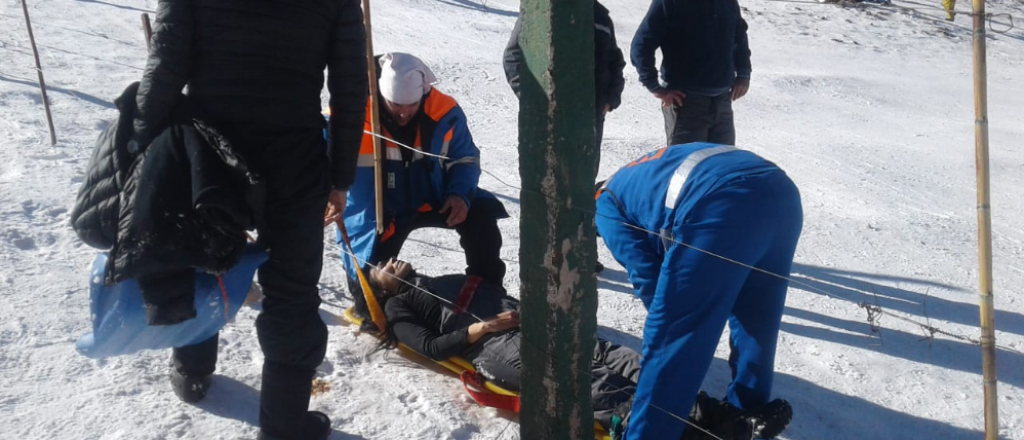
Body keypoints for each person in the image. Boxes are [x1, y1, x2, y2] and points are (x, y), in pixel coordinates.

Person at [132, 0, 368, 439]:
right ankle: (283, 426)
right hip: (293, 162)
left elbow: (165, 68)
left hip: (209, 154)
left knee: (201, 260)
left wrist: (140, 151)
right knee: (292, 293)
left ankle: (192, 371)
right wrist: (340, 178)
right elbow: (351, 89)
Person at [364, 259, 792, 440]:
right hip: (495, 347)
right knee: (591, 383)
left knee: (624, 359)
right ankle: (696, 433)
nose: (391, 262)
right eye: (380, 267)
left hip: (533, 324)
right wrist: (483, 327)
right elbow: (434, 347)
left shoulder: (444, 277)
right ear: (376, 291)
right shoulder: (399, 307)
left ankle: (724, 417)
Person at [594, 143, 802, 440]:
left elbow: (645, 275)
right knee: (757, 315)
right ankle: (747, 410)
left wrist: (676, 318)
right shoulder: (639, 172)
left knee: (672, 335)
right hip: (780, 194)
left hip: (722, 205)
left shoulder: (604, 202)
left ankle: (648, 435)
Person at [329, 53, 508, 325]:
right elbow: (319, 162)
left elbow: (465, 158)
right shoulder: (350, 113)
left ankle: (488, 291)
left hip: (430, 197)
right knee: (370, 308)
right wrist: (328, 192)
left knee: (481, 211)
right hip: (379, 213)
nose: (403, 112)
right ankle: (413, 307)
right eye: (394, 104)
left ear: (423, 94)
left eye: (411, 105)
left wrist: (458, 193)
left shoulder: (444, 112)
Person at [502, 0, 627, 172]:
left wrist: (610, 99)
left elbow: (615, 62)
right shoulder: (540, 10)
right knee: (549, 180)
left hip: (590, 117)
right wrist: (535, 99)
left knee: (584, 181)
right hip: (551, 117)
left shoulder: (600, 16)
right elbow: (513, 57)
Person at [630, 0, 751, 146]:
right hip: (686, 101)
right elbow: (642, 44)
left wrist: (743, 74)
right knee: (684, 164)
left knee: (721, 164)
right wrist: (653, 86)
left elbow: (740, 37)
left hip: (722, 101)